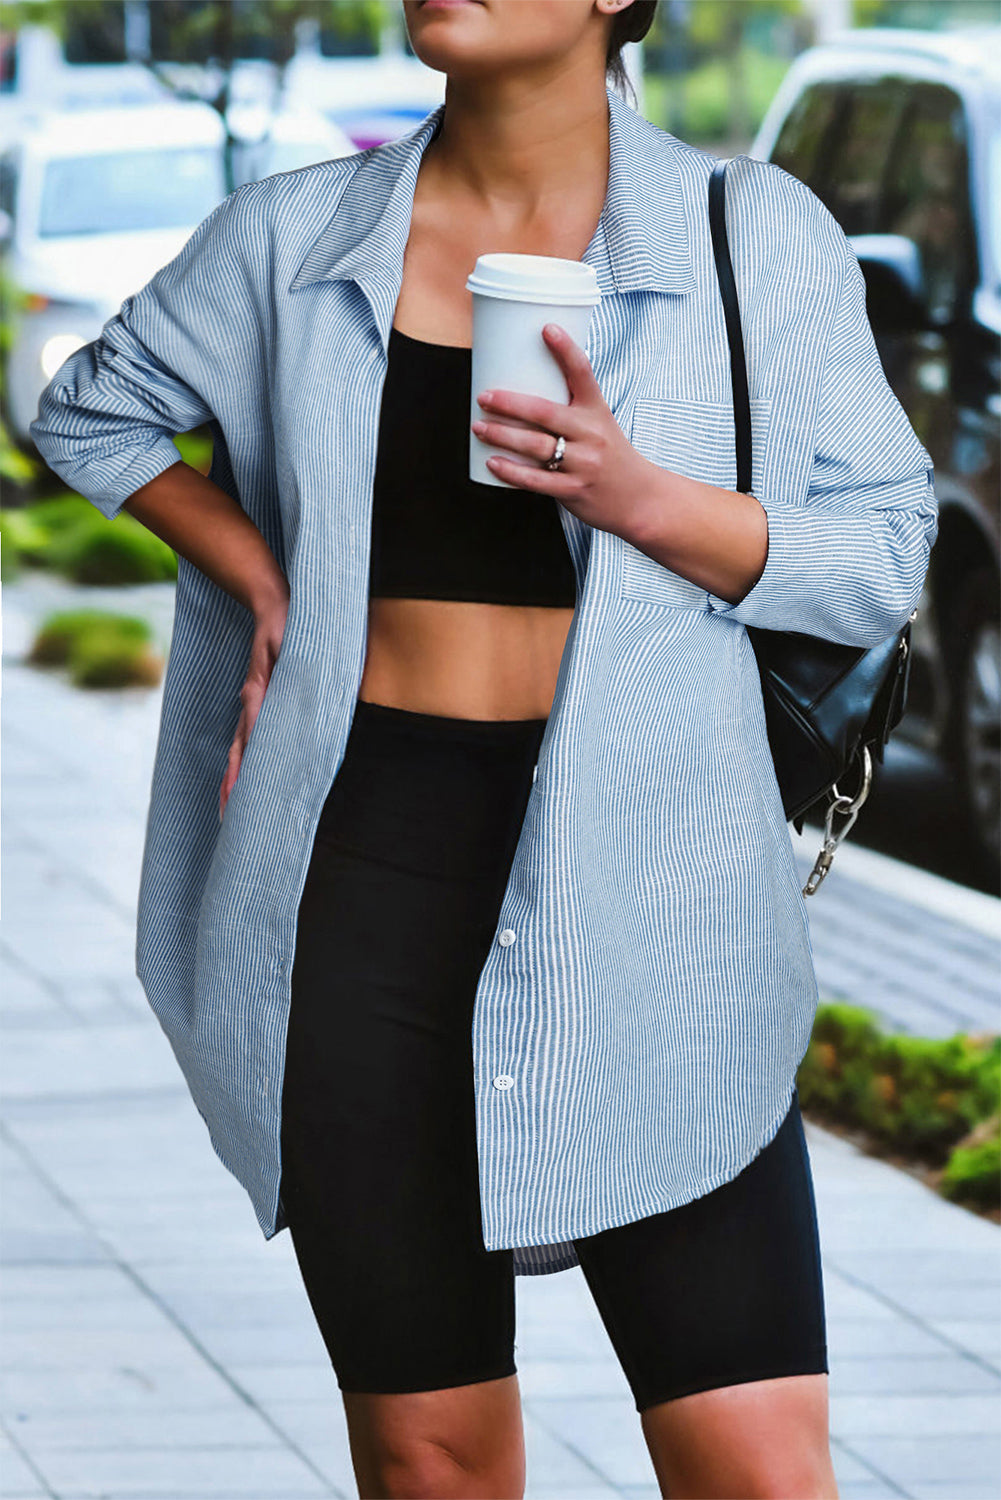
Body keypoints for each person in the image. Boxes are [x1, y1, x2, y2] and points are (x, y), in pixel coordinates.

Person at [31, 1, 938, 1495]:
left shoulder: (750, 233)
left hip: (655, 890)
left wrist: (640, 497)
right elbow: (93, 409)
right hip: (363, 875)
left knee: (758, 1465)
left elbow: (882, 550)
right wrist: (256, 571)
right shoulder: (289, 237)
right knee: (432, 1459)